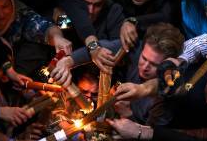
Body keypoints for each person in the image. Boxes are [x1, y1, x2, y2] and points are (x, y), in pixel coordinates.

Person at [52, 22, 184, 124]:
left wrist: (128, 114)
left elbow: (151, 140)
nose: (145, 67)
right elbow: (104, 48)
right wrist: (68, 61)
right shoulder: (137, 50)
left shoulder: (167, 96)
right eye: (144, 58)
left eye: (155, 64)